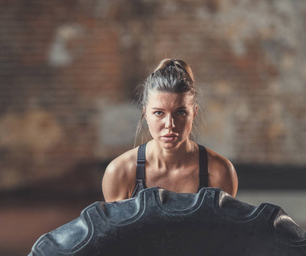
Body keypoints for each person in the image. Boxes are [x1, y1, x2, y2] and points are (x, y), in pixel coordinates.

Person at [102, 58, 238, 202]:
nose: (170, 124)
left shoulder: (219, 172)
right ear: (145, 114)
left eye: (180, 112)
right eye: (159, 113)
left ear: (194, 113)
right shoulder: (120, 172)